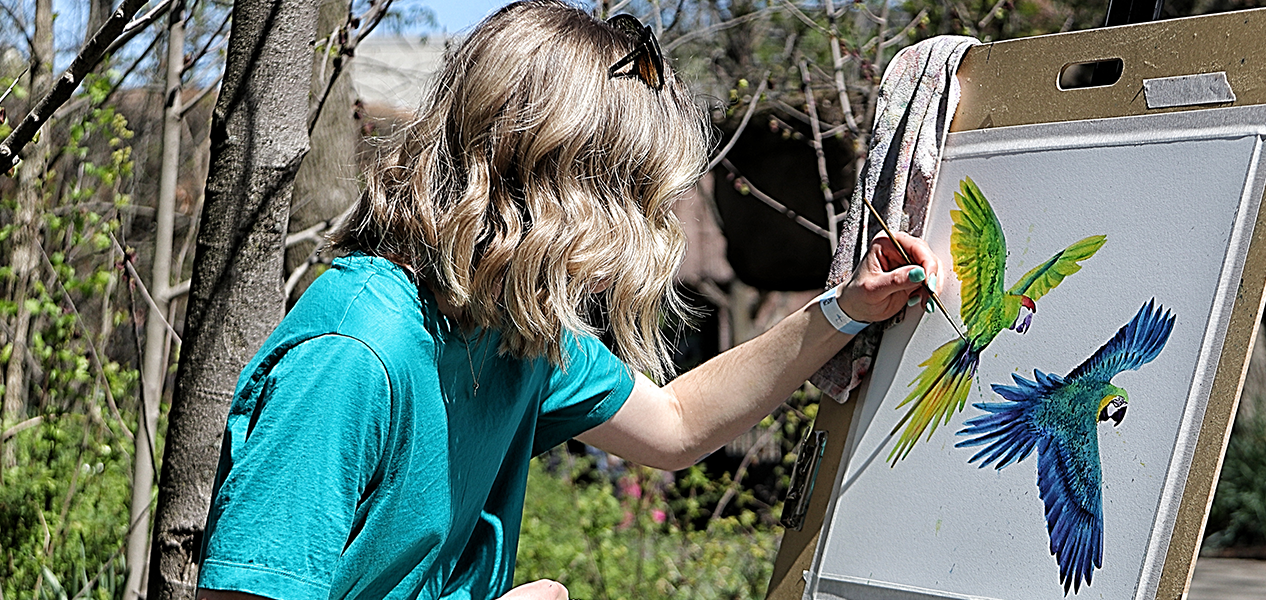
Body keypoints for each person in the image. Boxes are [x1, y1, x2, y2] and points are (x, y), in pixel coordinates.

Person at [193, 2, 941, 600]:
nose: (651, 230)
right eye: (637, 197)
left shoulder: (505, 325)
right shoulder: (355, 357)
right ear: (561, 194)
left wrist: (845, 309)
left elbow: (676, 426)